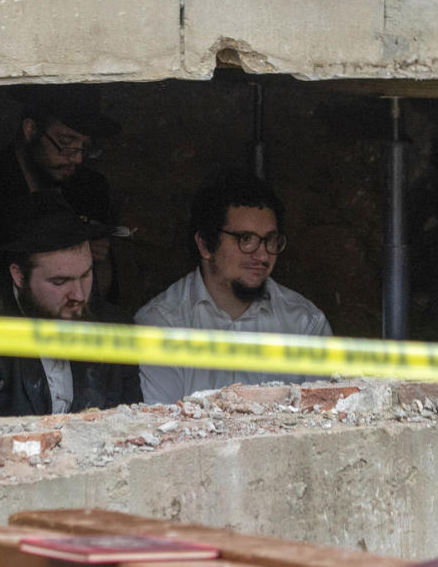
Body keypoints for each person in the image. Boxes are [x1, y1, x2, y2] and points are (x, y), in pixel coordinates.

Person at [135, 172, 331, 404]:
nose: (262, 254)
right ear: (206, 245)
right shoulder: (162, 323)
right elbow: (159, 428)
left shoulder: (305, 324)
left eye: (270, 240)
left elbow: (321, 425)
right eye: (245, 239)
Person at [0, 85, 121, 306]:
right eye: (66, 143)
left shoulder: (90, 188)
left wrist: (100, 259)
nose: (77, 159)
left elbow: (103, 297)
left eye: (84, 147)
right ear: (31, 130)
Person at [0, 193, 141, 416]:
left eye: (85, 275)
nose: (79, 295)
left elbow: (131, 426)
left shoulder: (116, 329)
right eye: (60, 281)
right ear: (18, 276)